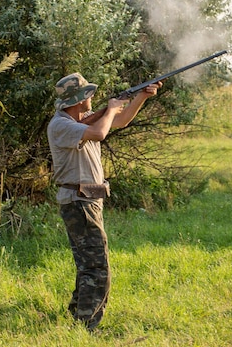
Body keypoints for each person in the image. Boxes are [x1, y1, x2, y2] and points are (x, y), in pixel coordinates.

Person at [47, 72, 161, 330]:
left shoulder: (78, 120)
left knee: (88, 265)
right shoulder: (61, 125)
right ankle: (86, 326)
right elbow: (100, 132)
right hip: (79, 201)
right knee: (98, 268)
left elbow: (117, 122)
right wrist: (110, 107)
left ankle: (78, 314)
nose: (92, 97)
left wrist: (140, 96)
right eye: (87, 94)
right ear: (78, 99)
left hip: (85, 199)